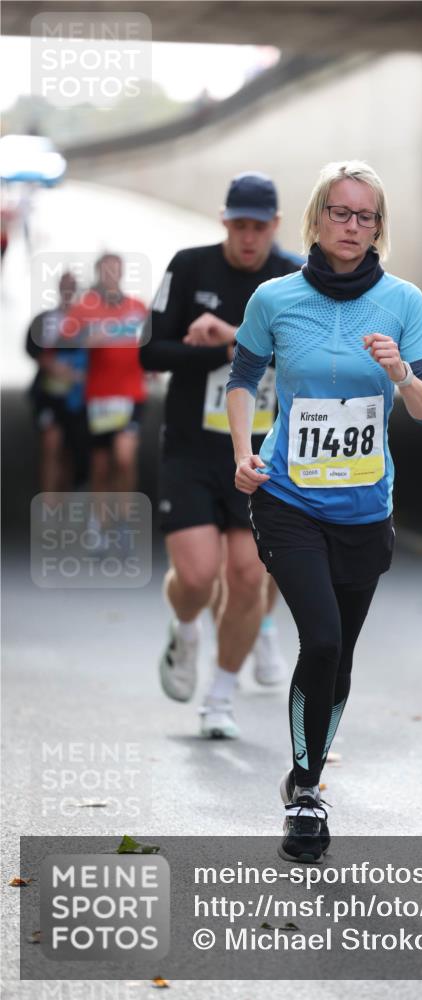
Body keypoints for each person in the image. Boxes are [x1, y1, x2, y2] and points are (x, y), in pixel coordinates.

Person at [227, 160, 422, 863]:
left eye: (366, 216)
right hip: (288, 498)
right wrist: (243, 452)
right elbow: (242, 378)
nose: (352, 226)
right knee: (320, 639)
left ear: (379, 227)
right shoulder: (274, 298)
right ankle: (306, 792)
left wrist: (400, 373)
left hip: (364, 506)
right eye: (340, 212)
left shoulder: (403, 302)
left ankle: (306, 770)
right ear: (317, 217)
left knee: (340, 654)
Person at [140, 173, 300, 740]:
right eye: (239, 226)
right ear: (224, 222)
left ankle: (220, 697)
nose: (248, 237)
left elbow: (307, 354)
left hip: (262, 455)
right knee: (198, 576)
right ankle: (185, 631)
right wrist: (206, 351)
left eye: (259, 227)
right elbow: (150, 352)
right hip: (192, 448)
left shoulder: (294, 278)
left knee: (249, 577)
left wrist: (229, 337)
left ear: (275, 225)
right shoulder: (190, 267)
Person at [62, 253, 148, 532]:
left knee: (124, 457)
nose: (111, 275)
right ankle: (99, 521)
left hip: (131, 393)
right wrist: (86, 339)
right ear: (98, 273)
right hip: (99, 396)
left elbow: (153, 340)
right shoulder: (85, 307)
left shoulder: (137, 307)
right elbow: (62, 340)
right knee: (100, 464)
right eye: (106, 270)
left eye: (116, 269)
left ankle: (123, 519)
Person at [26, 271, 89, 491]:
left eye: (73, 285)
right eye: (65, 285)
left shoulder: (88, 321)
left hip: (79, 397)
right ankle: (49, 502)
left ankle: (66, 500)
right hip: (50, 395)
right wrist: (52, 366)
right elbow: (32, 350)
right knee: (51, 444)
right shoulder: (45, 319)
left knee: (72, 452)